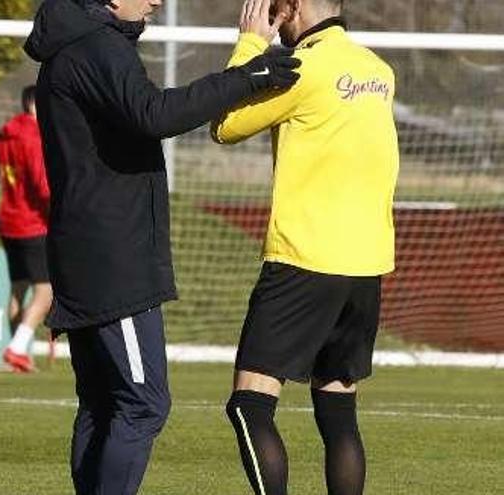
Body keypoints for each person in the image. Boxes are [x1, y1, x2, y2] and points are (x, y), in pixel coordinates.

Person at [24, 0, 301, 493]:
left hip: (90, 250)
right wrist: (249, 76)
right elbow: (155, 114)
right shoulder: (95, 48)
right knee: (143, 403)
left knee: (105, 403)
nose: (156, 0)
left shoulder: (81, 46)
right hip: (112, 260)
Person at [210, 1, 399, 494]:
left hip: (305, 259)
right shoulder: (378, 71)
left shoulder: (299, 68)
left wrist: (252, 44)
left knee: (249, 405)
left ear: (290, 6)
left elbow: (224, 124)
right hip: (365, 265)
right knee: (338, 416)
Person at [0, 85, 52, 373]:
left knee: (18, 291)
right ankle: (17, 348)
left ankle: (20, 359)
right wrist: (57, 214)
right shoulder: (34, 137)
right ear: (34, 105)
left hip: (8, 225)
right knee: (46, 293)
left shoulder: (3, 135)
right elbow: (41, 185)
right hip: (34, 224)